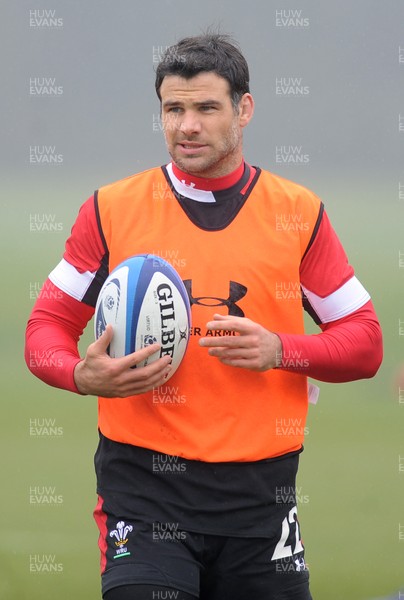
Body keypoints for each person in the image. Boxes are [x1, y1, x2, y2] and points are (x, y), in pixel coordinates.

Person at [25, 33, 383, 600]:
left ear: (244, 109)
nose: (186, 125)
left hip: (261, 502)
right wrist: (78, 374)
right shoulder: (110, 210)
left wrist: (282, 351)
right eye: (174, 109)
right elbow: (44, 328)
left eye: (206, 108)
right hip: (144, 493)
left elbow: (365, 343)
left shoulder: (297, 214)